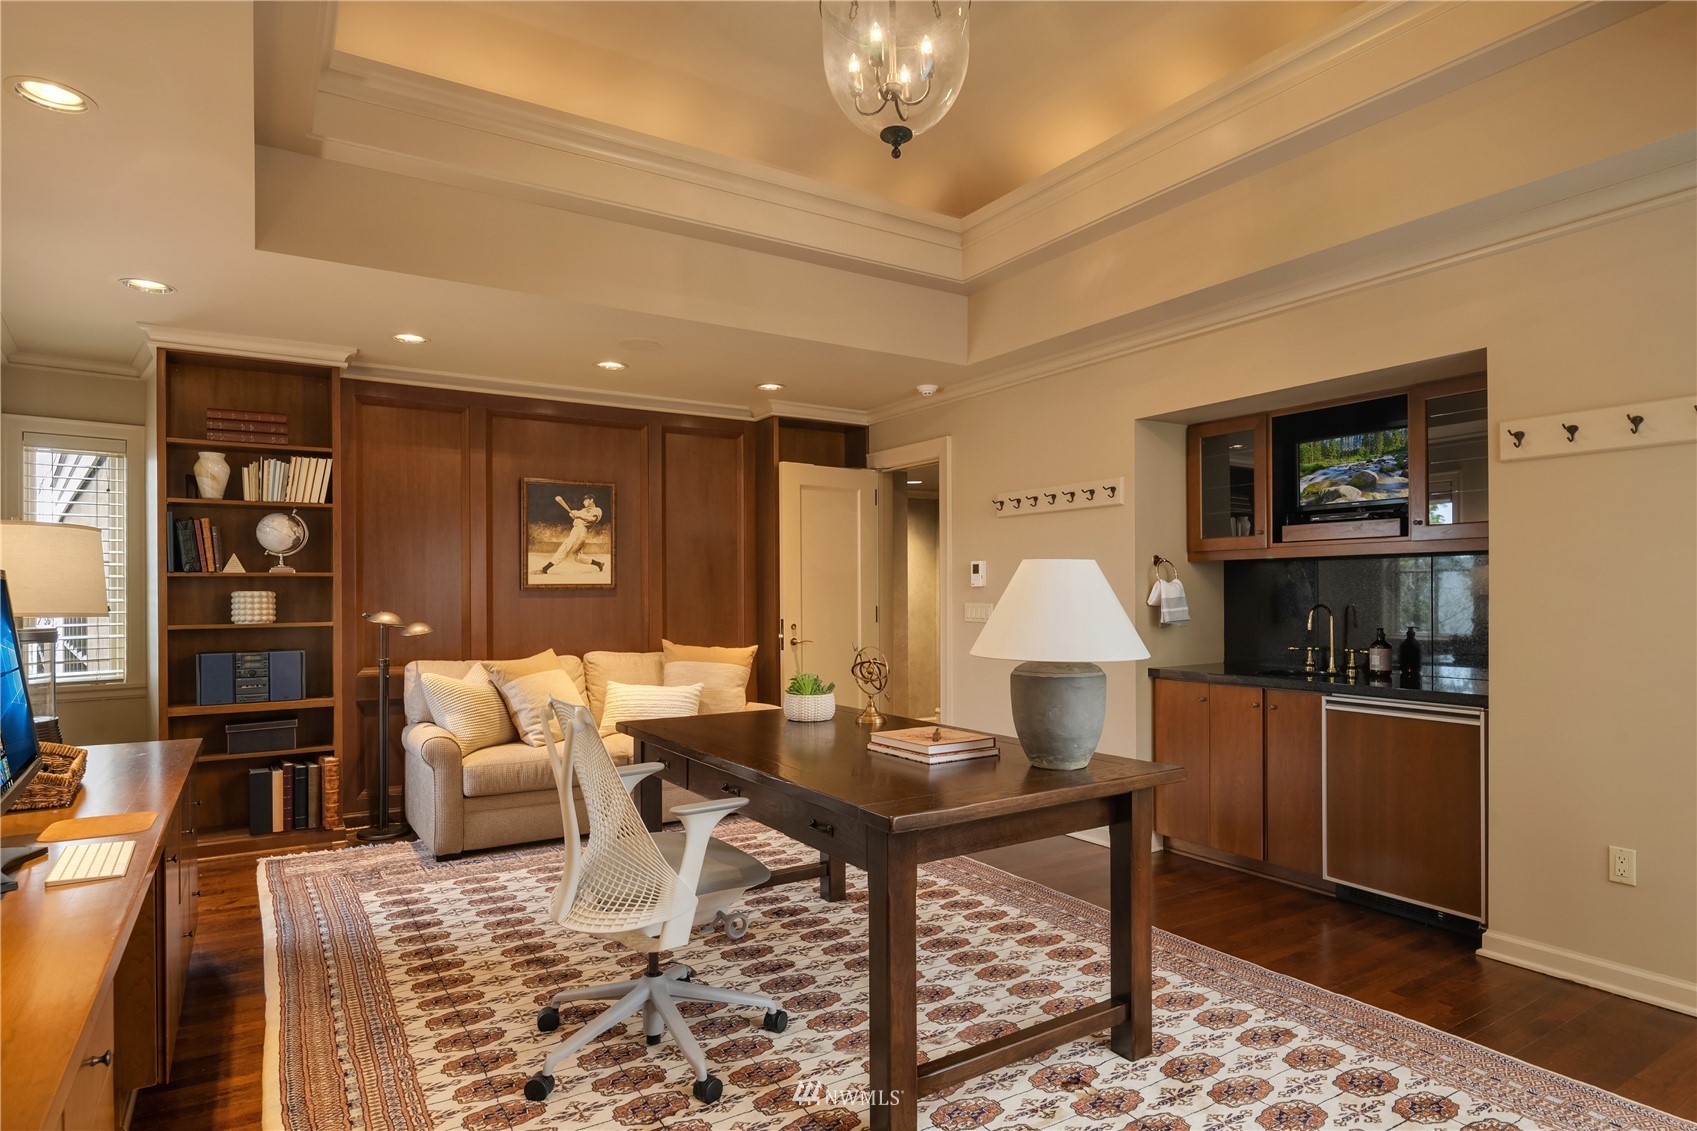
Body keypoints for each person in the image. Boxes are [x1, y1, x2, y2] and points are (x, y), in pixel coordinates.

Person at [540, 494, 605, 574]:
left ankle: (546, 568)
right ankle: (599, 564)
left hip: (581, 531)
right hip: (575, 531)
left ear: (591, 500)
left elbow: (592, 519)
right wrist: (573, 514)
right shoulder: (582, 510)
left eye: (585, 500)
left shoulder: (597, 510)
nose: (584, 502)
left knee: (565, 547)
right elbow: (576, 514)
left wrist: (578, 515)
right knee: (578, 557)